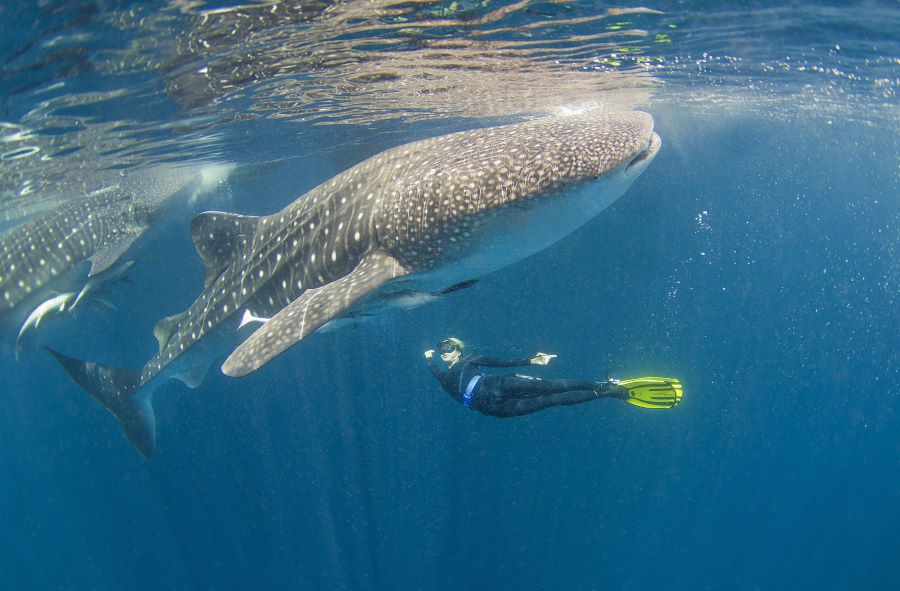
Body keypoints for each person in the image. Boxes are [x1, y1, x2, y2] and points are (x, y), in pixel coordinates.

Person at [424, 337, 682, 417]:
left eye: (449, 348)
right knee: (551, 401)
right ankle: (608, 394)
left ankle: (603, 384)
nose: (444, 353)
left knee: (552, 387)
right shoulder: (444, 378)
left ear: (459, 350)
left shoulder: (469, 360)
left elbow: (499, 361)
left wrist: (529, 361)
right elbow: (435, 370)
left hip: (498, 384)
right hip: (491, 408)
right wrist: (428, 359)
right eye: (441, 350)